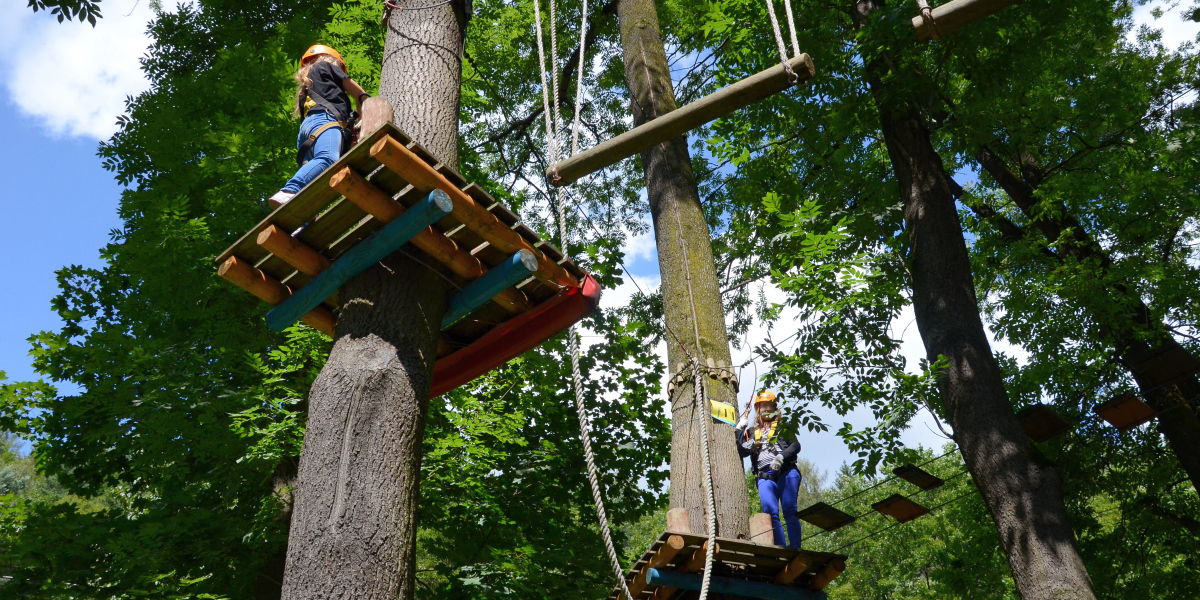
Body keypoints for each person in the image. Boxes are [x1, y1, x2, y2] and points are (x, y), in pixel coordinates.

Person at [267, 44, 371, 209]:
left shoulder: (308, 89)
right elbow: (361, 95)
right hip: (324, 121)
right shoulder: (326, 66)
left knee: (315, 179)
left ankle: (303, 218)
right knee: (327, 159)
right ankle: (289, 190)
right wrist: (367, 113)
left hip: (308, 131)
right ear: (333, 61)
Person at [735, 391, 803, 548]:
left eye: (768, 405)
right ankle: (781, 547)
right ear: (758, 409)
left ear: (774, 408)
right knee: (770, 513)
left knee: (789, 509)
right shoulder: (752, 432)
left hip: (786, 471)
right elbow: (743, 451)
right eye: (762, 406)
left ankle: (795, 548)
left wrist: (781, 457)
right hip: (765, 476)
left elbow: (795, 445)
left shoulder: (783, 426)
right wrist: (739, 430)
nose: (766, 409)